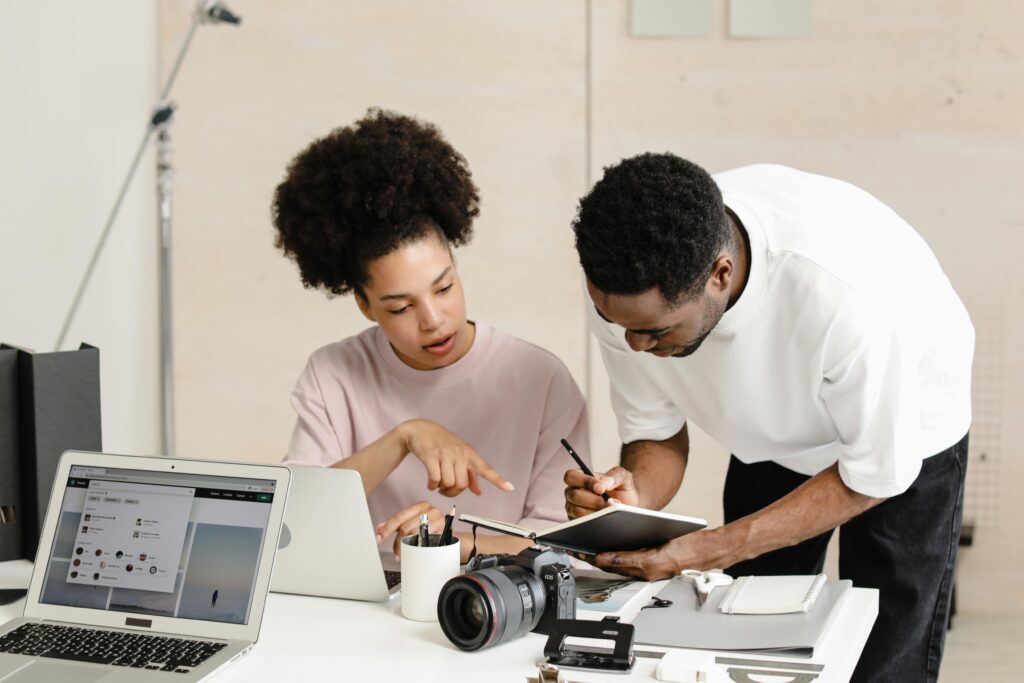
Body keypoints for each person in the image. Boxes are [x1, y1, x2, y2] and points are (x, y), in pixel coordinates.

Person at [564, 155, 973, 683]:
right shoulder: (624, 295)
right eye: (620, 325)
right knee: (750, 643)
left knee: (885, 653)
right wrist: (633, 496)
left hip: (906, 427)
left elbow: (874, 474)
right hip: (774, 432)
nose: (635, 347)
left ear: (721, 274)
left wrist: (712, 547)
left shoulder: (841, 298)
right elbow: (654, 432)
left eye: (657, 333)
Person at [273, 109, 590, 561]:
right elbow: (290, 518)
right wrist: (405, 437)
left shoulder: (540, 379)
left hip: (497, 604)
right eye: (400, 307)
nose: (433, 319)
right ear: (364, 306)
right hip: (371, 605)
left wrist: (450, 543)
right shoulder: (333, 374)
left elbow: (563, 541)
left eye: (444, 288)